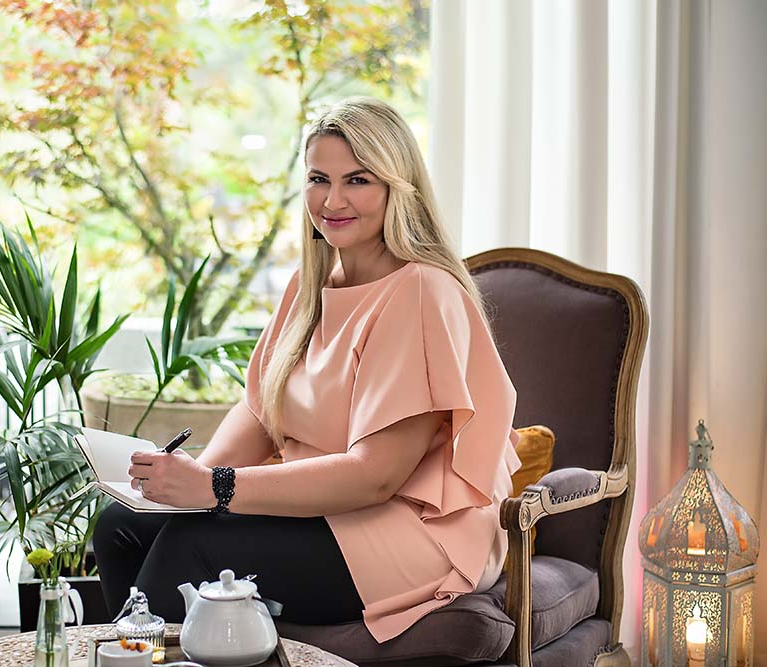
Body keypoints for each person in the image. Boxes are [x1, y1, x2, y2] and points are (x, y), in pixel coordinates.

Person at [93, 96, 521, 643]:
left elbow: (377, 475)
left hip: (410, 533)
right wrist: (179, 484)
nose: (333, 200)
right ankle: (140, 652)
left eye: (358, 180)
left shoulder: (421, 290)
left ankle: (133, 654)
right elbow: (261, 411)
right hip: (323, 511)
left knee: (190, 544)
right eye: (320, 179)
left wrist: (215, 488)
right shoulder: (307, 285)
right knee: (123, 526)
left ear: (398, 187)